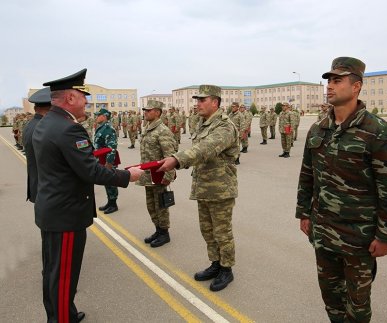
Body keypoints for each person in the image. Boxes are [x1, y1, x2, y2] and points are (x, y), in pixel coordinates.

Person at [296, 57, 387, 323]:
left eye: (337, 80)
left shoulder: (378, 131)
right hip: (324, 232)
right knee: (331, 299)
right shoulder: (319, 128)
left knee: (357, 306)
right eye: (329, 80)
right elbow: (307, 174)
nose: (330, 86)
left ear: (356, 86)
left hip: (359, 239)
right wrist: (304, 213)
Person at [32, 68, 144, 323]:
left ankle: (63, 314)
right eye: (84, 96)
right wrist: (128, 176)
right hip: (66, 215)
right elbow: (91, 171)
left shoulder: (47, 122)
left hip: (52, 209)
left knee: (53, 271)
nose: (88, 102)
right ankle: (62, 320)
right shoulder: (69, 129)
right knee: (63, 277)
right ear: (71, 98)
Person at [158, 85, 239, 292]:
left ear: (215, 102)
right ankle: (215, 263)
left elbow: (205, 149)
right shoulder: (203, 124)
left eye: (202, 100)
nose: (197, 104)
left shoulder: (224, 126)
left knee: (222, 232)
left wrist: (177, 159)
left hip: (220, 189)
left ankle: (226, 269)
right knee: (208, 231)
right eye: (197, 100)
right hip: (204, 186)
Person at [137, 100, 177, 247]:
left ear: (158, 112)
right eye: (145, 110)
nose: (145, 112)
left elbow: (171, 155)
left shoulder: (162, 130)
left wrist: (168, 176)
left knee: (161, 205)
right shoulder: (148, 128)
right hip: (148, 175)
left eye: (149, 110)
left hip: (159, 175)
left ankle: (164, 233)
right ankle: (158, 229)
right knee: (151, 205)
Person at [23, 87, 51, 203]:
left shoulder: (31, 125)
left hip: (38, 186)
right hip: (47, 190)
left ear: (35, 108)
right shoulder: (45, 127)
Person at [94, 108, 122, 214]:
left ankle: (113, 204)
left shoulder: (108, 129)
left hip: (107, 160)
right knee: (106, 181)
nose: (96, 117)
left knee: (111, 181)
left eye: (98, 115)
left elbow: (112, 147)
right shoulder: (101, 127)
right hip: (101, 159)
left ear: (104, 116)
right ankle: (109, 202)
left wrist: (109, 163)